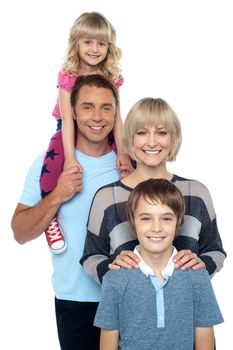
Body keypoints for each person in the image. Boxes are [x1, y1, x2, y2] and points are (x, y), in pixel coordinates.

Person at [11, 74, 122, 350]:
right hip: (75, 303)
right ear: (72, 111)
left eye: (106, 107)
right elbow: (20, 233)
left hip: (129, 298)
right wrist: (57, 195)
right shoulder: (48, 164)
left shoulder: (130, 164)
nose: (97, 116)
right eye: (87, 107)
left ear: (116, 112)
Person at [80, 97, 226, 284]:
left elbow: (215, 250)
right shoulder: (107, 198)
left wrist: (202, 264)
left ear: (173, 138)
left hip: (186, 307)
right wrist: (110, 267)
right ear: (130, 138)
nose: (151, 143)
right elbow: (91, 257)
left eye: (161, 133)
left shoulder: (196, 193)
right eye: (141, 133)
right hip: (129, 307)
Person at [41, 12, 133, 254]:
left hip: (104, 127)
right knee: (53, 162)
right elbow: (67, 119)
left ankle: (133, 217)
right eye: (88, 42)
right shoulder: (68, 76)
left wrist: (122, 152)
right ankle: (51, 219)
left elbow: (117, 116)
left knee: (132, 161)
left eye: (101, 43)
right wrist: (70, 159)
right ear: (76, 43)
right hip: (69, 125)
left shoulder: (111, 76)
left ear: (109, 47)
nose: (95, 49)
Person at [94, 178, 224, 350]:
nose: (157, 228)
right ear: (133, 222)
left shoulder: (198, 276)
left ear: (178, 222)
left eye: (166, 218)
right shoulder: (114, 279)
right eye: (146, 218)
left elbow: (205, 343)